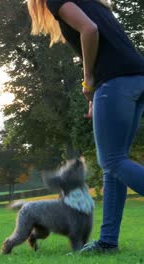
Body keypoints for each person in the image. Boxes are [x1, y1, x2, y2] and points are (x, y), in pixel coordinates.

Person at [26, 0, 144, 254]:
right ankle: (107, 242)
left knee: (111, 161)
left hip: (115, 82)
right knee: (114, 166)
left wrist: (89, 79)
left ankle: (107, 241)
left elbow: (89, 30)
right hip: (134, 80)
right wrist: (95, 95)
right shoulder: (93, 2)